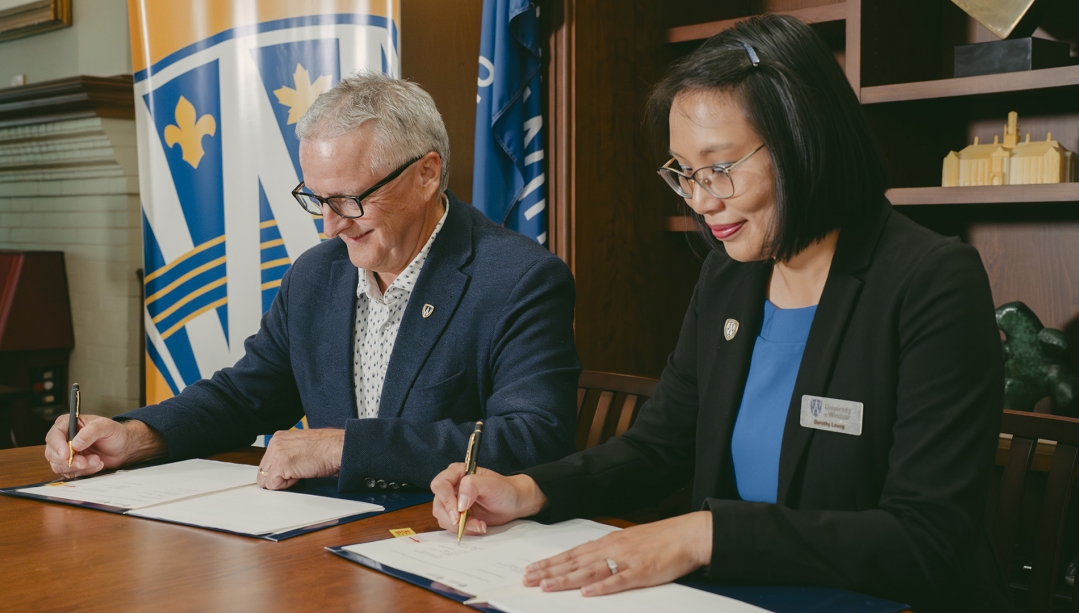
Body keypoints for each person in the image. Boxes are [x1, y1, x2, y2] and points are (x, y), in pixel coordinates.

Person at [431, 15, 1012, 612]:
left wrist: (706, 535)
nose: (702, 201)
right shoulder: (730, 275)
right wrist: (527, 490)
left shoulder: (931, 280)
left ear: (803, 140)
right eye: (684, 172)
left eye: (721, 168)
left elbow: (926, 538)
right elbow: (659, 448)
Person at [44, 71, 580, 492]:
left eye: (350, 200)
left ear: (427, 174)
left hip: (445, 538)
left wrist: (346, 447)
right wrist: (134, 437)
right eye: (317, 200)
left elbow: (534, 437)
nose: (330, 226)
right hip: (322, 539)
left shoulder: (520, 279)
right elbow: (245, 397)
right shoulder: (317, 274)